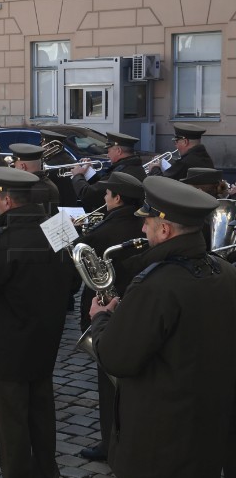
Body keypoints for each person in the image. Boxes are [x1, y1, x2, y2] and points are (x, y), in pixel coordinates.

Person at [88, 176, 236, 478]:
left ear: (165, 228)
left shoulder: (155, 285)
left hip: (159, 441)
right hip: (208, 432)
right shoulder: (226, 271)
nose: (142, 228)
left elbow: (117, 358)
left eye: (148, 222)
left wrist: (101, 318)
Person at [0, 166, 76, 478]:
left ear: (8, 201)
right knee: (41, 412)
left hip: (7, 346)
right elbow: (74, 283)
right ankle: (47, 470)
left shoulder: (4, 241)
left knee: (11, 423)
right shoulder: (60, 230)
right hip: (46, 339)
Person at [73, 172, 145, 463]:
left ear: (116, 198)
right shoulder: (142, 224)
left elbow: (73, 256)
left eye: (106, 194)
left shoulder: (102, 232)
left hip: (110, 315)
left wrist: (71, 233)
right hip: (138, 310)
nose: (103, 199)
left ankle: (110, 443)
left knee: (108, 387)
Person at [70, 131, 146, 212]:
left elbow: (88, 195)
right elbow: (103, 186)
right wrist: (90, 172)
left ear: (118, 151)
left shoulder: (122, 172)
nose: (108, 155)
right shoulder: (131, 166)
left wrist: (78, 175)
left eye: (109, 151)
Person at [7, 143, 60, 216]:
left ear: (23, 166)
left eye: (15, 166)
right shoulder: (49, 184)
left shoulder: (27, 190)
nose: (15, 169)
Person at [147, 123, 215, 180]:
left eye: (176, 142)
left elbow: (162, 184)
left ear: (185, 142)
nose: (176, 146)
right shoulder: (206, 158)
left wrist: (154, 168)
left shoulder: (185, 162)